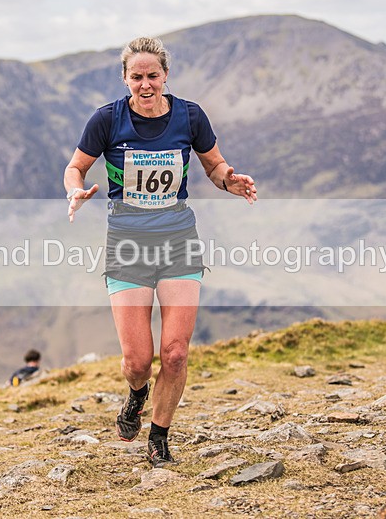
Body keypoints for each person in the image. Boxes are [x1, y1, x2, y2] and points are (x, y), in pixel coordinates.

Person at [63, 37, 257, 467]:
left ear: (165, 76)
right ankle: (136, 393)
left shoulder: (190, 115)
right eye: (137, 77)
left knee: (175, 352)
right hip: (128, 244)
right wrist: (76, 191)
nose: (145, 85)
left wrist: (231, 180)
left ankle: (159, 436)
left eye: (153, 76)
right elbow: (75, 166)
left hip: (178, 240)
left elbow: (213, 165)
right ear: (126, 79)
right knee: (137, 362)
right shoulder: (107, 120)